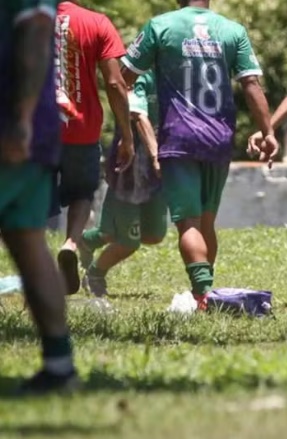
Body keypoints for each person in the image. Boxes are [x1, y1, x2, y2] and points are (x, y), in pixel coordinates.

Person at [121, 0, 279, 310]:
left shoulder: (161, 26)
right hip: (218, 139)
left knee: (189, 224)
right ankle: (206, 294)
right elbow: (251, 83)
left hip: (178, 138)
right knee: (207, 222)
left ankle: (204, 296)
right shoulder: (232, 30)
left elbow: (123, 76)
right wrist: (268, 131)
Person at [1, 0, 79, 394]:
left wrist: (21, 120)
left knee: (29, 244)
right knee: (29, 244)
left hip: (12, 131)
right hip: (36, 134)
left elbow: (35, 33)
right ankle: (59, 365)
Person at [54, 1, 134, 295]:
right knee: (81, 193)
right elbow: (115, 83)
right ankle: (71, 243)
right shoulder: (97, 22)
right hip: (81, 130)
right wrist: (126, 134)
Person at [79, 72, 167, 299]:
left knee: (154, 235)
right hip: (128, 172)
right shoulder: (139, 77)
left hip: (155, 178)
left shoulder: (175, 76)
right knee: (128, 241)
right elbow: (138, 115)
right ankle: (95, 274)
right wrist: (155, 154)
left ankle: (86, 241)